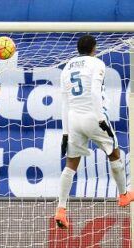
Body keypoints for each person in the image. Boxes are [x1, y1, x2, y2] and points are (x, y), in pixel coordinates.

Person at [55, 35, 134, 229]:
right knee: (113, 152)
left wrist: (65, 132)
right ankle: (123, 194)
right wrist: (100, 119)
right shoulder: (97, 64)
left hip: (73, 120)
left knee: (71, 163)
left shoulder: (67, 67)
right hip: (93, 116)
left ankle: (61, 209)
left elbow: (64, 101)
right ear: (94, 48)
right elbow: (94, 92)